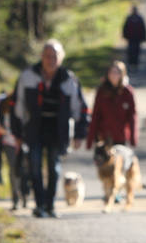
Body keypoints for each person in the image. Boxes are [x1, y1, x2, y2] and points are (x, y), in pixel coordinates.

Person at [14, 39, 90, 218]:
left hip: (58, 131)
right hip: (34, 129)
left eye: (54, 56)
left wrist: (79, 134)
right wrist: (17, 133)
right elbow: (17, 106)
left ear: (61, 58)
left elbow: (80, 108)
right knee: (34, 166)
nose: (51, 60)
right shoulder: (28, 76)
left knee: (54, 168)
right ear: (42, 57)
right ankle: (39, 205)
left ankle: (50, 205)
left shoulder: (69, 79)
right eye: (47, 56)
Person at [0, 89, 30, 209]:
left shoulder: (26, 102)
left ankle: (25, 195)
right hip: (8, 141)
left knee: (25, 169)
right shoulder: (3, 101)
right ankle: (15, 198)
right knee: (13, 169)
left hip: (24, 141)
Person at [86, 60, 138, 151]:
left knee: (120, 163)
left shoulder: (127, 92)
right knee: (105, 163)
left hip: (121, 136)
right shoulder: (101, 91)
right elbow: (95, 115)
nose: (114, 75)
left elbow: (132, 116)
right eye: (111, 72)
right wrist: (90, 139)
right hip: (104, 136)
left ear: (122, 75)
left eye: (117, 73)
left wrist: (133, 138)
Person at [122, 6, 146, 72]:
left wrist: (144, 37)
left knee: (137, 52)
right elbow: (125, 28)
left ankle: (135, 65)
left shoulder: (140, 18)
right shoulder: (129, 18)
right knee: (130, 52)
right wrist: (125, 36)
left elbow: (143, 29)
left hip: (137, 39)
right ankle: (131, 64)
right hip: (130, 39)